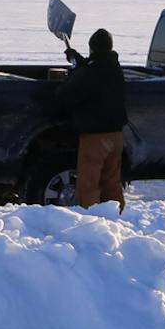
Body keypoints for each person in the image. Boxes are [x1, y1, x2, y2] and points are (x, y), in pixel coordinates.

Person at [57, 28, 128, 210]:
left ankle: (91, 220)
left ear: (93, 49)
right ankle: (117, 216)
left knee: (89, 185)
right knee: (111, 182)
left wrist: (73, 73)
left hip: (95, 138)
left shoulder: (90, 74)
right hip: (116, 135)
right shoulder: (114, 68)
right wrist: (78, 60)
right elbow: (93, 67)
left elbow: (65, 97)